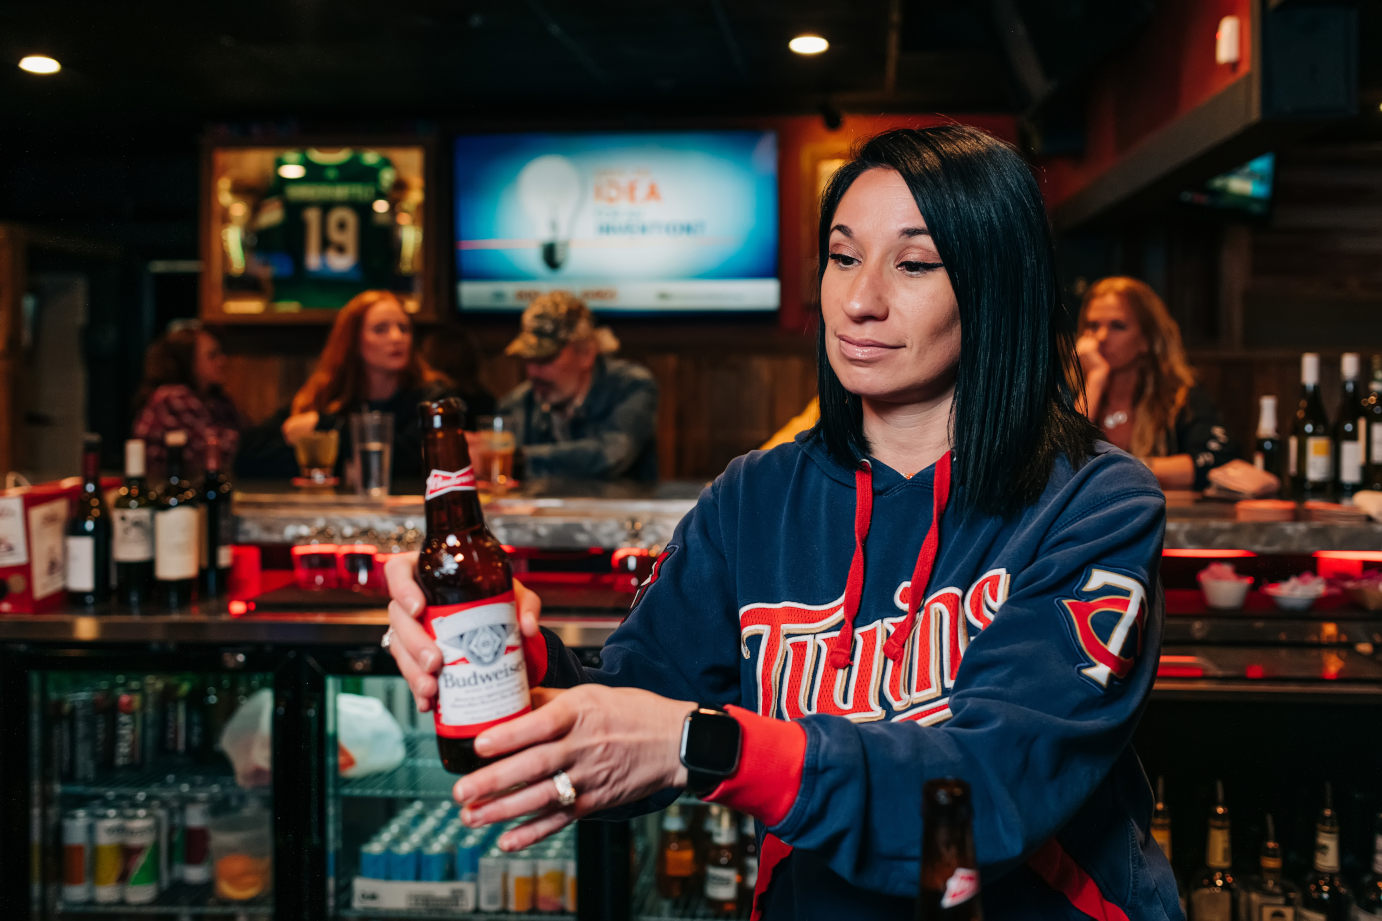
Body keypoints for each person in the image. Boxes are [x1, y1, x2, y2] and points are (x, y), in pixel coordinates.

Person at [384, 126, 1180, 920]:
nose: (860, 300)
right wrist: (500, 663)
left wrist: (701, 742)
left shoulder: (1094, 502)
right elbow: (629, 717)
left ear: (997, 285)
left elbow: (981, 799)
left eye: (914, 263)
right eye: (842, 256)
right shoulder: (753, 498)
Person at [235, 290, 456, 482]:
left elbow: (419, 461)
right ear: (353, 341)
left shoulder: (434, 398)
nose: (397, 337)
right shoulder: (329, 395)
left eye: (404, 328)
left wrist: (325, 428)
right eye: (380, 329)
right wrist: (341, 466)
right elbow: (248, 457)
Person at [1075, 276, 1237, 491]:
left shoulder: (1179, 398)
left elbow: (1219, 462)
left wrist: (1109, 470)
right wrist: (1095, 380)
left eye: (1118, 326)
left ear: (1146, 340)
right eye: (1092, 326)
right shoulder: (1068, 393)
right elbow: (1060, 466)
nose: (1101, 337)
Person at [495, 291, 658, 482]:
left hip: (620, 511)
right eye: (528, 360)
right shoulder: (515, 404)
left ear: (586, 353)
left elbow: (613, 454)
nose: (533, 372)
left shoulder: (631, 386)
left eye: (546, 358)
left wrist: (516, 459)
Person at [132, 322, 243, 478]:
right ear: (188, 361)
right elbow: (219, 453)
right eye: (212, 355)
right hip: (168, 493)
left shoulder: (216, 400)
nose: (222, 361)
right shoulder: (172, 397)